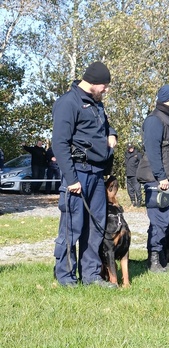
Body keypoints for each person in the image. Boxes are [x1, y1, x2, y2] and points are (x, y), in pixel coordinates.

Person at [52, 61, 118, 287]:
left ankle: (90, 276)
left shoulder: (97, 104)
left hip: (97, 174)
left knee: (96, 227)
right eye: (104, 86)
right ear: (93, 82)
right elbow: (59, 144)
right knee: (72, 228)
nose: (106, 90)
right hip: (77, 173)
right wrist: (71, 180)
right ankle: (66, 277)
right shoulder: (67, 103)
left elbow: (106, 125)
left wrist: (112, 135)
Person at [137, 84, 169, 272]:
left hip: (167, 179)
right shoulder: (154, 120)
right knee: (160, 221)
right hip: (156, 180)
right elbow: (153, 151)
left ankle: (161, 259)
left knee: (166, 221)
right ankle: (154, 262)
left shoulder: (168, 120)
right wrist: (161, 177)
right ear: (167, 99)